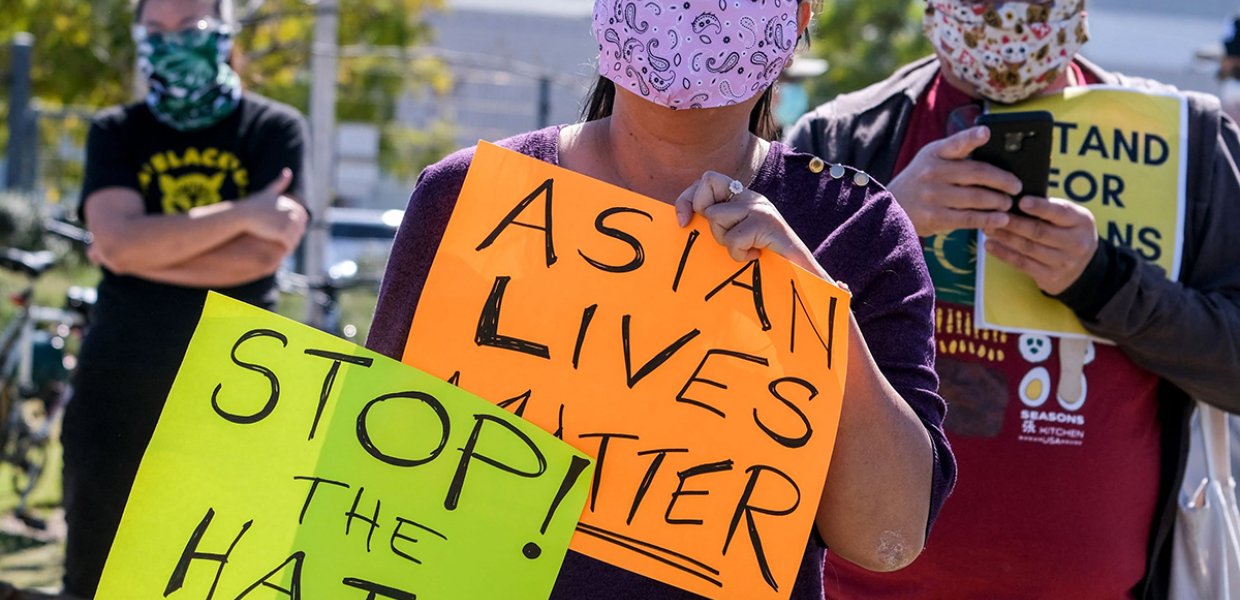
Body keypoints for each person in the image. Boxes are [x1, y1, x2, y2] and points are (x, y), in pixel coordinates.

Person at [368, 0, 956, 597]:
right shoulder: (465, 199)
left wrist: (814, 309)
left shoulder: (857, 230)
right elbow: (369, 474)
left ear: (798, 15)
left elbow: (888, 537)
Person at [786, 0, 1240, 597]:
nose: (1002, 14)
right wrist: (885, 223)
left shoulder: (1189, 142)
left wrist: (1103, 279)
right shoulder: (843, 136)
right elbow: (753, 348)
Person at [63, 0, 309, 596]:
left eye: (190, 28)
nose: (172, 42)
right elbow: (117, 244)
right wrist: (246, 213)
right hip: (118, 385)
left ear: (225, 35)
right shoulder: (116, 132)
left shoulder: (275, 128)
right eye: (155, 30)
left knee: (214, 576)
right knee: (99, 573)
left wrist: (152, 246)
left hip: (237, 387)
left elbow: (263, 256)